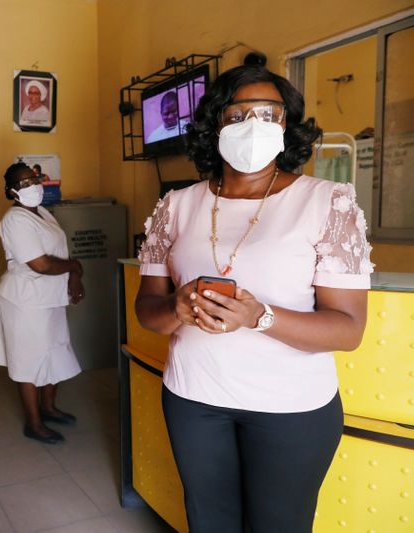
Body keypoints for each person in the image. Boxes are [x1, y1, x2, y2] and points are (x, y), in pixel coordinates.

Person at [135, 65, 373, 532]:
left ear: (287, 125)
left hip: (291, 408)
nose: (253, 125)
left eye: (269, 114)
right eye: (239, 113)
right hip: (193, 398)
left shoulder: (328, 202)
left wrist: (259, 316)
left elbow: (348, 329)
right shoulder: (176, 206)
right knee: (209, 522)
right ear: (214, 123)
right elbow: (148, 310)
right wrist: (177, 309)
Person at [0, 162, 84, 444]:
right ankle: (34, 422)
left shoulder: (41, 212)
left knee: (54, 352)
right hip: (24, 301)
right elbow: (41, 264)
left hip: (49, 299)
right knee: (29, 361)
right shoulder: (14, 220)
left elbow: (57, 254)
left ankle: (48, 407)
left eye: (34, 179)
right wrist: (75, 268)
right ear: (11, 192)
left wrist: (72, 276)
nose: (32, 185)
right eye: (23, 183)